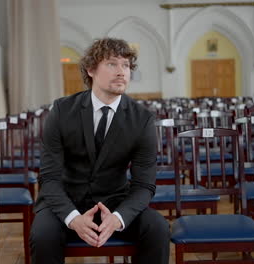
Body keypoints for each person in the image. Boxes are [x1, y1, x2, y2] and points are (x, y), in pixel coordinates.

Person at [30, 37, 170, 264]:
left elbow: (144, 185)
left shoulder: (142, 119)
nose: (121, 71)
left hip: (115, 202)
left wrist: (118, 218)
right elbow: (49, 177)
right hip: (66, 200)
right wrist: (73, 218)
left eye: (125, 65)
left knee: (158, 228)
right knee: (43, 235)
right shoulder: (62, 111)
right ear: (91, 70)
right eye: (112, 64)